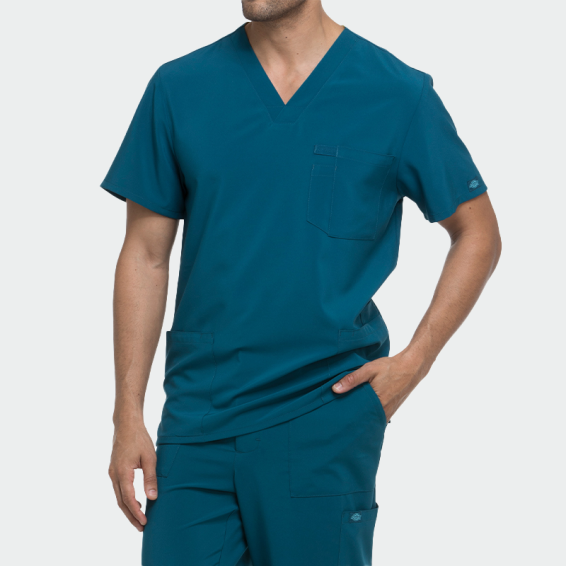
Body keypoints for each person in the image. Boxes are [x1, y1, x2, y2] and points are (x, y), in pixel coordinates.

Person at [102, 1, 501, 564]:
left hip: (324, 417)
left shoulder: (397, 94)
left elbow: (478, 232)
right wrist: (127, 413)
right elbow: (145, 255)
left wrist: (415, 362)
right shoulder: (179, 88)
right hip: (196, 423)